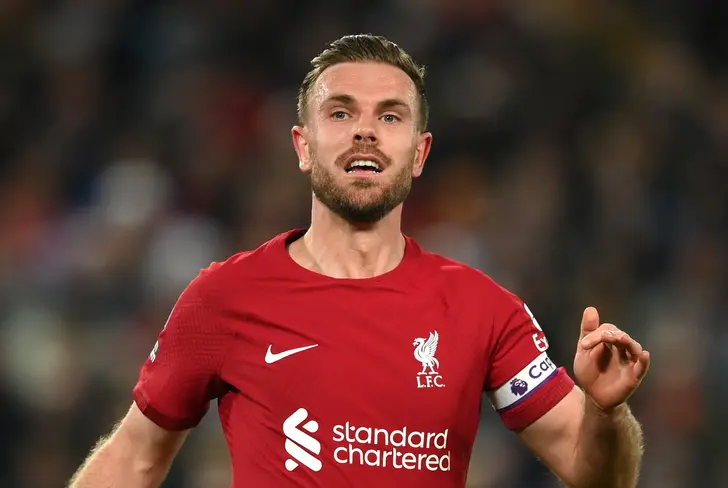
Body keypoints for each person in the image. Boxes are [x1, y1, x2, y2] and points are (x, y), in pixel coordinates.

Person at [67, 34, 650, 488]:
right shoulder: (224, 297)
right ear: (303, 146)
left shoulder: (484, 311)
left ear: (419, 153)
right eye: (341, 113)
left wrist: (605, 412)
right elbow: (134, 459)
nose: (366, 132)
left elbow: (598, 477)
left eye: (390, 116)